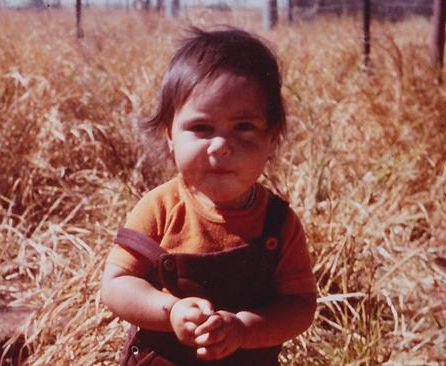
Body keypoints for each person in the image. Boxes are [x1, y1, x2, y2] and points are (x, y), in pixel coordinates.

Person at [100, 26, 317, 366]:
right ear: (169, 135)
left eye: (244, 127)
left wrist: (244, 329)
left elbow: (300, 305)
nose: (221, 146)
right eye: (201, 128)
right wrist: (171, 311)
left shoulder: (279, 224)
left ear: (272, 139)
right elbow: (116, 284)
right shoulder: (160, 208)